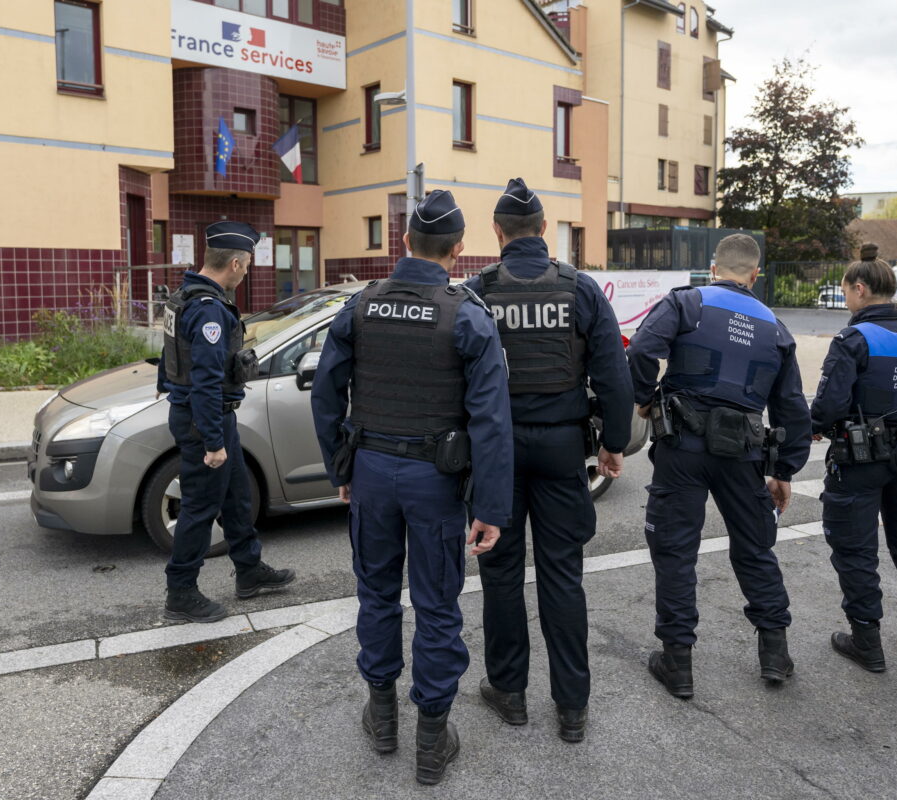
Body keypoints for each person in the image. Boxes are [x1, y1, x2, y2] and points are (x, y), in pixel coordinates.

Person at [310, 190, 513, 785]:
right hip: (435, 481)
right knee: (436, 603)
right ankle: (431, 739)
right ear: (457, 250)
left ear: (403, 243)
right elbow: (492, 421)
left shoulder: (361, 305)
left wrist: (342, 469)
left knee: (376, 595)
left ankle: (381, 717)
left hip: (371, 470)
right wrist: (491, 507)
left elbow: (327, 395)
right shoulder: (467, 313)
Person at [462, 177, 633, 743]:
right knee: (563, 575)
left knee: (502, 573)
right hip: (563, 448)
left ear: (497, 233)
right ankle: (572, 706)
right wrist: (612, 442)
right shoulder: (579, 289)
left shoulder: (478, 291)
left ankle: (509, 692)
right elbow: (612, 374)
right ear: (542, 229)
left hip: (496, 452)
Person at [627, 233, 811, 698]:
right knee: (754, 551)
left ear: (713, 268)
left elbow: (641, 352)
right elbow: (792, 409)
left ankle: (678, 663)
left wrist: (646, 399)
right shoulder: (775, 327)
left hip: (682, 448)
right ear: (754, 275)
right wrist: (784, 472)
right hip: (743, 454)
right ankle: (775, 654)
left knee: (676, 552)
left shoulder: (687, 303)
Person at [810, 243, 897, 672]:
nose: (846, 300)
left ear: (860, 288)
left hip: (861, 458)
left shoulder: (853, 339)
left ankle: (866, 641)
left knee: (856, 549)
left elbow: (829, 406)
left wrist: (815, 424)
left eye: (846, 292)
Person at [157, 221, 296, 624]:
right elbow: (205, 381)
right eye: (248, 264)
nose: (248, 270)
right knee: (200, 508)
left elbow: (171, 358)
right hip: (206, 421)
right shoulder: (208, 310)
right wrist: (213, 442)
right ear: (234, 263)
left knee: (237, 496)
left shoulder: (183, 296)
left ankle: (249, 570)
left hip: (211, 419)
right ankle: (180, 592)